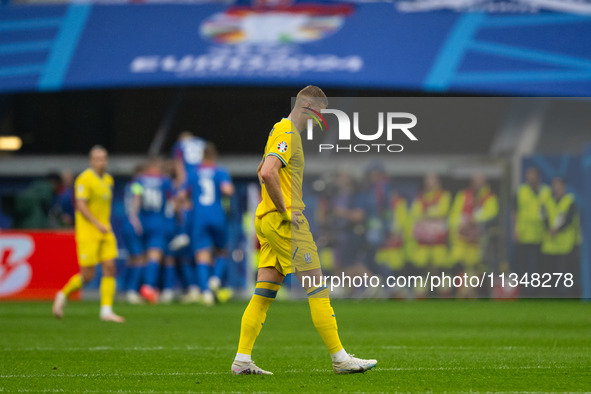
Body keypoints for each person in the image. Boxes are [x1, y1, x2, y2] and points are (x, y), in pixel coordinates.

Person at [231, 85, 377, 375]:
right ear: (307, 105)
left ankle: (242, 360)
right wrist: (285, 210)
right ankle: (340, 359)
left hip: (268, 220)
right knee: (318, 288)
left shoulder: (279, 130)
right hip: (285, 223)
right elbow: (267, 171)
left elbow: (262, 166)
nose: (319, 120)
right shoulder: (287, 132)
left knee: (263, 294)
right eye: (319, 113)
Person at [52, 146, 124, 323]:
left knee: (110, 268)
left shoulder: (108, 179)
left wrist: (103, 225)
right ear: (91, 161)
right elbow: (81, 205)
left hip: (105, 231)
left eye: (104, 158)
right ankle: (62, 295)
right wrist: (97, 223)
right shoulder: (84, 179)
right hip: (88, 232)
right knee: (88, 275)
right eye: (98, 159)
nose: (102, 162)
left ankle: (106, 311)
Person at [184, 142, 234, 306]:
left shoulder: (194, 173)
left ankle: (205, 292)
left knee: (201, 255)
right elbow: (228, 190)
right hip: (217, 215)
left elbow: (182, 193)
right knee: (222, 251)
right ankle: (215, 279)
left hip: (199, 218)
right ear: (214, 156)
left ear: (202, 156)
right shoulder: (220, 171)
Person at [130, 158, 174, 304]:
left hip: (143, 221)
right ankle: (148, 287)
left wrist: (134, 218)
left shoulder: (139, 180)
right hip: (158, 222)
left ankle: (133, 290)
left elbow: (136, 199)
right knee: (154, 257)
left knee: (139, 258)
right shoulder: (164, 181)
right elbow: (173, 199)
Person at [449, 173, 499, 279]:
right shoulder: (463, 194)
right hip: (461, 240)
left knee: (478, 268)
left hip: (479, 242)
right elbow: (454, 214)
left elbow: (491, 213)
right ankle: (463, 292)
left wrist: (473, 220)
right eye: (475, 181)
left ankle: (477, 291)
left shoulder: (489, 197)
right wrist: (460, 223)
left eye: (480, 182)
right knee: (460, 268)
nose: (477, 184)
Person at [513, 167, 551, 297]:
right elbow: (515, 212)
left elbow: (550, 211)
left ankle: (536, 292)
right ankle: (524, 291)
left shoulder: (545, 191)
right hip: (524, 235)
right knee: (523, 266)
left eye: (533, 175)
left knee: (538, 266)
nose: (530, 177)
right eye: (529, 175)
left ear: (538, 176)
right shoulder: (521, 191)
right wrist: (515, 230)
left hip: (540, 235)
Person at [540, 177, 581, 297]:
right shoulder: (547, 201)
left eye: (558, 185)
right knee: (550, 274)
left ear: (564, 187)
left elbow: (569, 219)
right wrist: (549, 228)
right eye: (554, 185)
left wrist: (556, 230)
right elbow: (543, 217)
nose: (556, 188)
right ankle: (550, 297)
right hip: (550, 245)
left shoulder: (570, 201)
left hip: (566, 245)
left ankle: (570, 296)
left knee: (568, 274)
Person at [122, 164, 145, 304]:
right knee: (139, 258)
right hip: (132, 223)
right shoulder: (137, 185)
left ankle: (126, 288)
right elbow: (136, 201)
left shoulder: (127, 186)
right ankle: (132, 291)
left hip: (125, 223)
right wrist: (136, 220)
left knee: (131, 259)